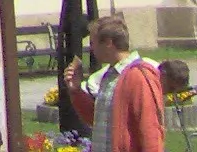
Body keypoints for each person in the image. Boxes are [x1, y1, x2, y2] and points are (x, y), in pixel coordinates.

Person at [65, 16, 166, 152]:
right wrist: (76, 90)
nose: (91, 48)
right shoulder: (110, 75)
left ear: (108, 43)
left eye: (93, 43)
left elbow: (150, 130)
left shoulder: (139, 76)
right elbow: (100, 120)